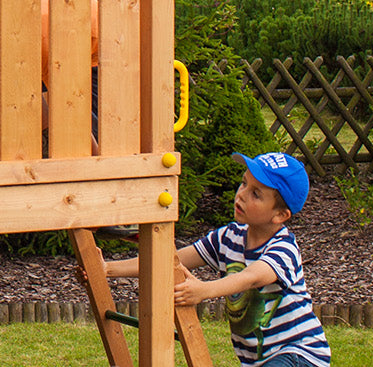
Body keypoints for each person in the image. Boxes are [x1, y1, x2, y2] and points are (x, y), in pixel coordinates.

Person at [105, 152, 331, 367]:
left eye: (256, 194)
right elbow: (171, 259)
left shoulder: (284, 249)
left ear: (280, 215)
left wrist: (204, 290)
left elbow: (251, 277)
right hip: (259, 359)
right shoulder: (228, 237)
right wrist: (107, 269)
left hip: (300, 353)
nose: (241, 194)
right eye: (244, 183)